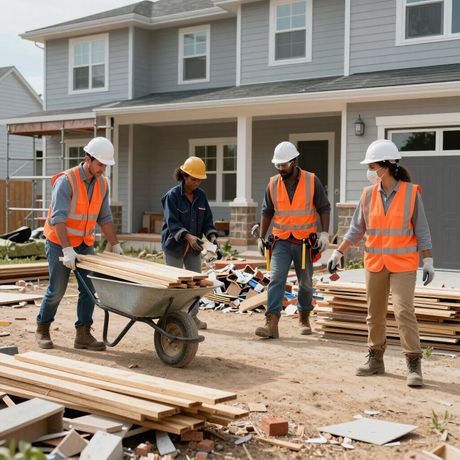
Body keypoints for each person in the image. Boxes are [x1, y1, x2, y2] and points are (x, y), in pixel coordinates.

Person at [327, 139, 434, 387]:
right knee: (374, 314)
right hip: (375, 263)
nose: (370, 171)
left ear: (385, 166)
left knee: (403, 311)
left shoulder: (410, 193)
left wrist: (428, 259)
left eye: (372, 166)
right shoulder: (367, 195)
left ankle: (413, 363)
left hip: (403, 264)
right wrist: (338, 252)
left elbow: (423, 230)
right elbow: (356, 230)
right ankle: (376, 359)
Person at [36, 137, 123, 351]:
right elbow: (58, 219)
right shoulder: (67, 181)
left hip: (84, 243)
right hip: (59, 241)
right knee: (57, 289)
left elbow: (105, 218)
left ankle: (83, 334)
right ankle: (42, 328)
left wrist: (115, 244)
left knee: (89, 290)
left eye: (105, 165)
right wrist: (67, 250)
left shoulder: (103, 184)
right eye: (100, 164)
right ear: (88, 159)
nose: (103, 169)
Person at [255, 141, 331, 339]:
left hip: (305, 242)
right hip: (280, 241)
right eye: (278, 165)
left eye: (284, 165)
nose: (281, 169)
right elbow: (267, 211)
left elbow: (324, 207)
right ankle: (271, 323)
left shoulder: (312, 180)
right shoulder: (272, 183)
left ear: (295, 161)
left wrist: (324, 233)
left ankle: (304, 316)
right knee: (276, 279)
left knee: (305, 283)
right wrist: (261, 237)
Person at [161, 156, 219, 330]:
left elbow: (207, 220)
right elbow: (173, 224)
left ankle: (192, 317)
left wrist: (212, 237)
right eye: (193, 179)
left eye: (199, 179)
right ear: (184, 176)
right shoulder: (171, 196)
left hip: (194, 248)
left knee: (195, 284)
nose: (197, 183)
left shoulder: (201, 196)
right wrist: (188, 236)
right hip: (174, 246)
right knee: (176, 285)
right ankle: (172, 319)